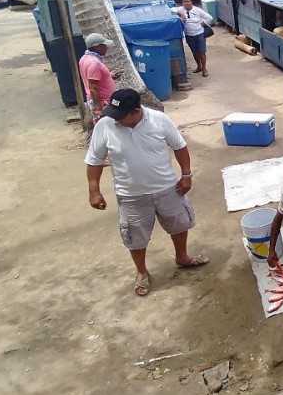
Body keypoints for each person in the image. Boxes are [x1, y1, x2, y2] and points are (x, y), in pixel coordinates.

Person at [85, 88, 208, 297]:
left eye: (120, 116)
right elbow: (94, 160)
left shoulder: (159, 120)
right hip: (130, 194)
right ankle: (141, 272)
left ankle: (182, 257)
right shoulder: (105, 125)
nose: (114, 119)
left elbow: (179, 146)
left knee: (178, 225)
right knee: (135, 237)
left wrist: (186, 176)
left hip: (167, 188)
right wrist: (94, 191)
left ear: (136, 111)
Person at [78, 33, 118, 124]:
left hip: (100, 101)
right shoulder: (94, 63)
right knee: (108, 127)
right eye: (104, 46)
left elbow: (92, 79)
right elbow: (93, 87)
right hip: (103, 102)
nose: (106, 48)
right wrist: (99, 108)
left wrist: (109, 76)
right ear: (97, 47)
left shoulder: (84, 58)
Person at [173, 0, 213, 77]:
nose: (186, 3)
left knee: (202, 52)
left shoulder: (197, 10)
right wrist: (180, 13)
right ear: (182, 3)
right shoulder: (181, 9)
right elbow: (171, 9)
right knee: (194, 52)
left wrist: (204, 23)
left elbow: (209, 17)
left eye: (188, 1)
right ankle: (199, 66)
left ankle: (204, 69)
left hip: (199, 34)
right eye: (184, 1)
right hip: (189, 34)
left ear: (191, 2)